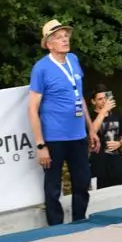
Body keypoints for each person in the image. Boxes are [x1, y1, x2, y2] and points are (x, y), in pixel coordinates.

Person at [28, 20, 100, 226]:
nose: (65, 40)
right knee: (53, 186)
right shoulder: (41, 68)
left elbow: (79, 96)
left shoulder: (74, 60)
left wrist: (91, 128)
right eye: (59, 37)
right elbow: (32, 108)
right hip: (54, 136)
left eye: (66, 36)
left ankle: (80, 221)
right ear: (49, 44)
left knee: (82, 182)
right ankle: (56, 227)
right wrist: (41, 144)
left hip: (78, 134)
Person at [88, 85, 122, 190]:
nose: (103, 101)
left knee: (121, 190)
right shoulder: (89, 116)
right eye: (100, 99)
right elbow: (91, 133)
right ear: (93, 101)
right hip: (98, 163)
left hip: (117, 161)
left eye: (105, 98)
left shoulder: (116, 115)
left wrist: (119, 143)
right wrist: (103, 112)